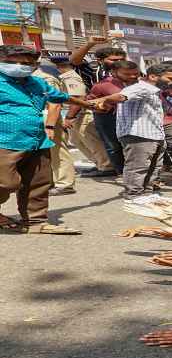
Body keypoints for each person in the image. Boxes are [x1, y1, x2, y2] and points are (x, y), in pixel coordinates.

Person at [0, 45, 99, 234]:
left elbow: (61, 97)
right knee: (6, 183)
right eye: (13, 62)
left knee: (37, 184)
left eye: (27, 63)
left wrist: (88, 104)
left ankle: (36, 222)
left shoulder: (37, 82)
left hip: (37, 141)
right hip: (4, 141)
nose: (21, 66)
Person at [93, 64, 172, 200]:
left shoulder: (154, 91)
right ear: (153, 76)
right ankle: (134, 194)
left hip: (154, 134)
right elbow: (121, 97)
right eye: (171, 78)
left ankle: (147, 193)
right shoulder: (141, 88)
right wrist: (107, 101)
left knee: (153, 167)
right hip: (139, 135)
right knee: (137, 167)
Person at [69, 37, 127, 174]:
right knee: (106, 142)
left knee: (121, 142)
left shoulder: (130, 71)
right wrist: (90, 44)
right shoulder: (93, 71)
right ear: (100, 61)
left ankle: (111, 167)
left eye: (120, 59)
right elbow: (74, 61)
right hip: (101, 111)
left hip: (123, 110)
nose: (118, 63)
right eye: (113, 60)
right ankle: (110, 166)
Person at [54, 56, 115, 178]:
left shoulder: (71, 77)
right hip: (75, 113)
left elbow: (79, 98)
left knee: (91, 140)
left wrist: (69, 117)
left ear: (60, 67)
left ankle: (107, 166)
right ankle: (99, 163)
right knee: (77, 140)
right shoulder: (66, 77)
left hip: (81, 113)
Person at [32, 62, 77, 196]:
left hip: (48, 117)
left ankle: (65, 184)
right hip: (34, 119)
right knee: (43, 154)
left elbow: (55, 103)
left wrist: (50, 125)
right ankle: (48, 181)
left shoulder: (46, 78)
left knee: (57, 151)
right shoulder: (25, 79)